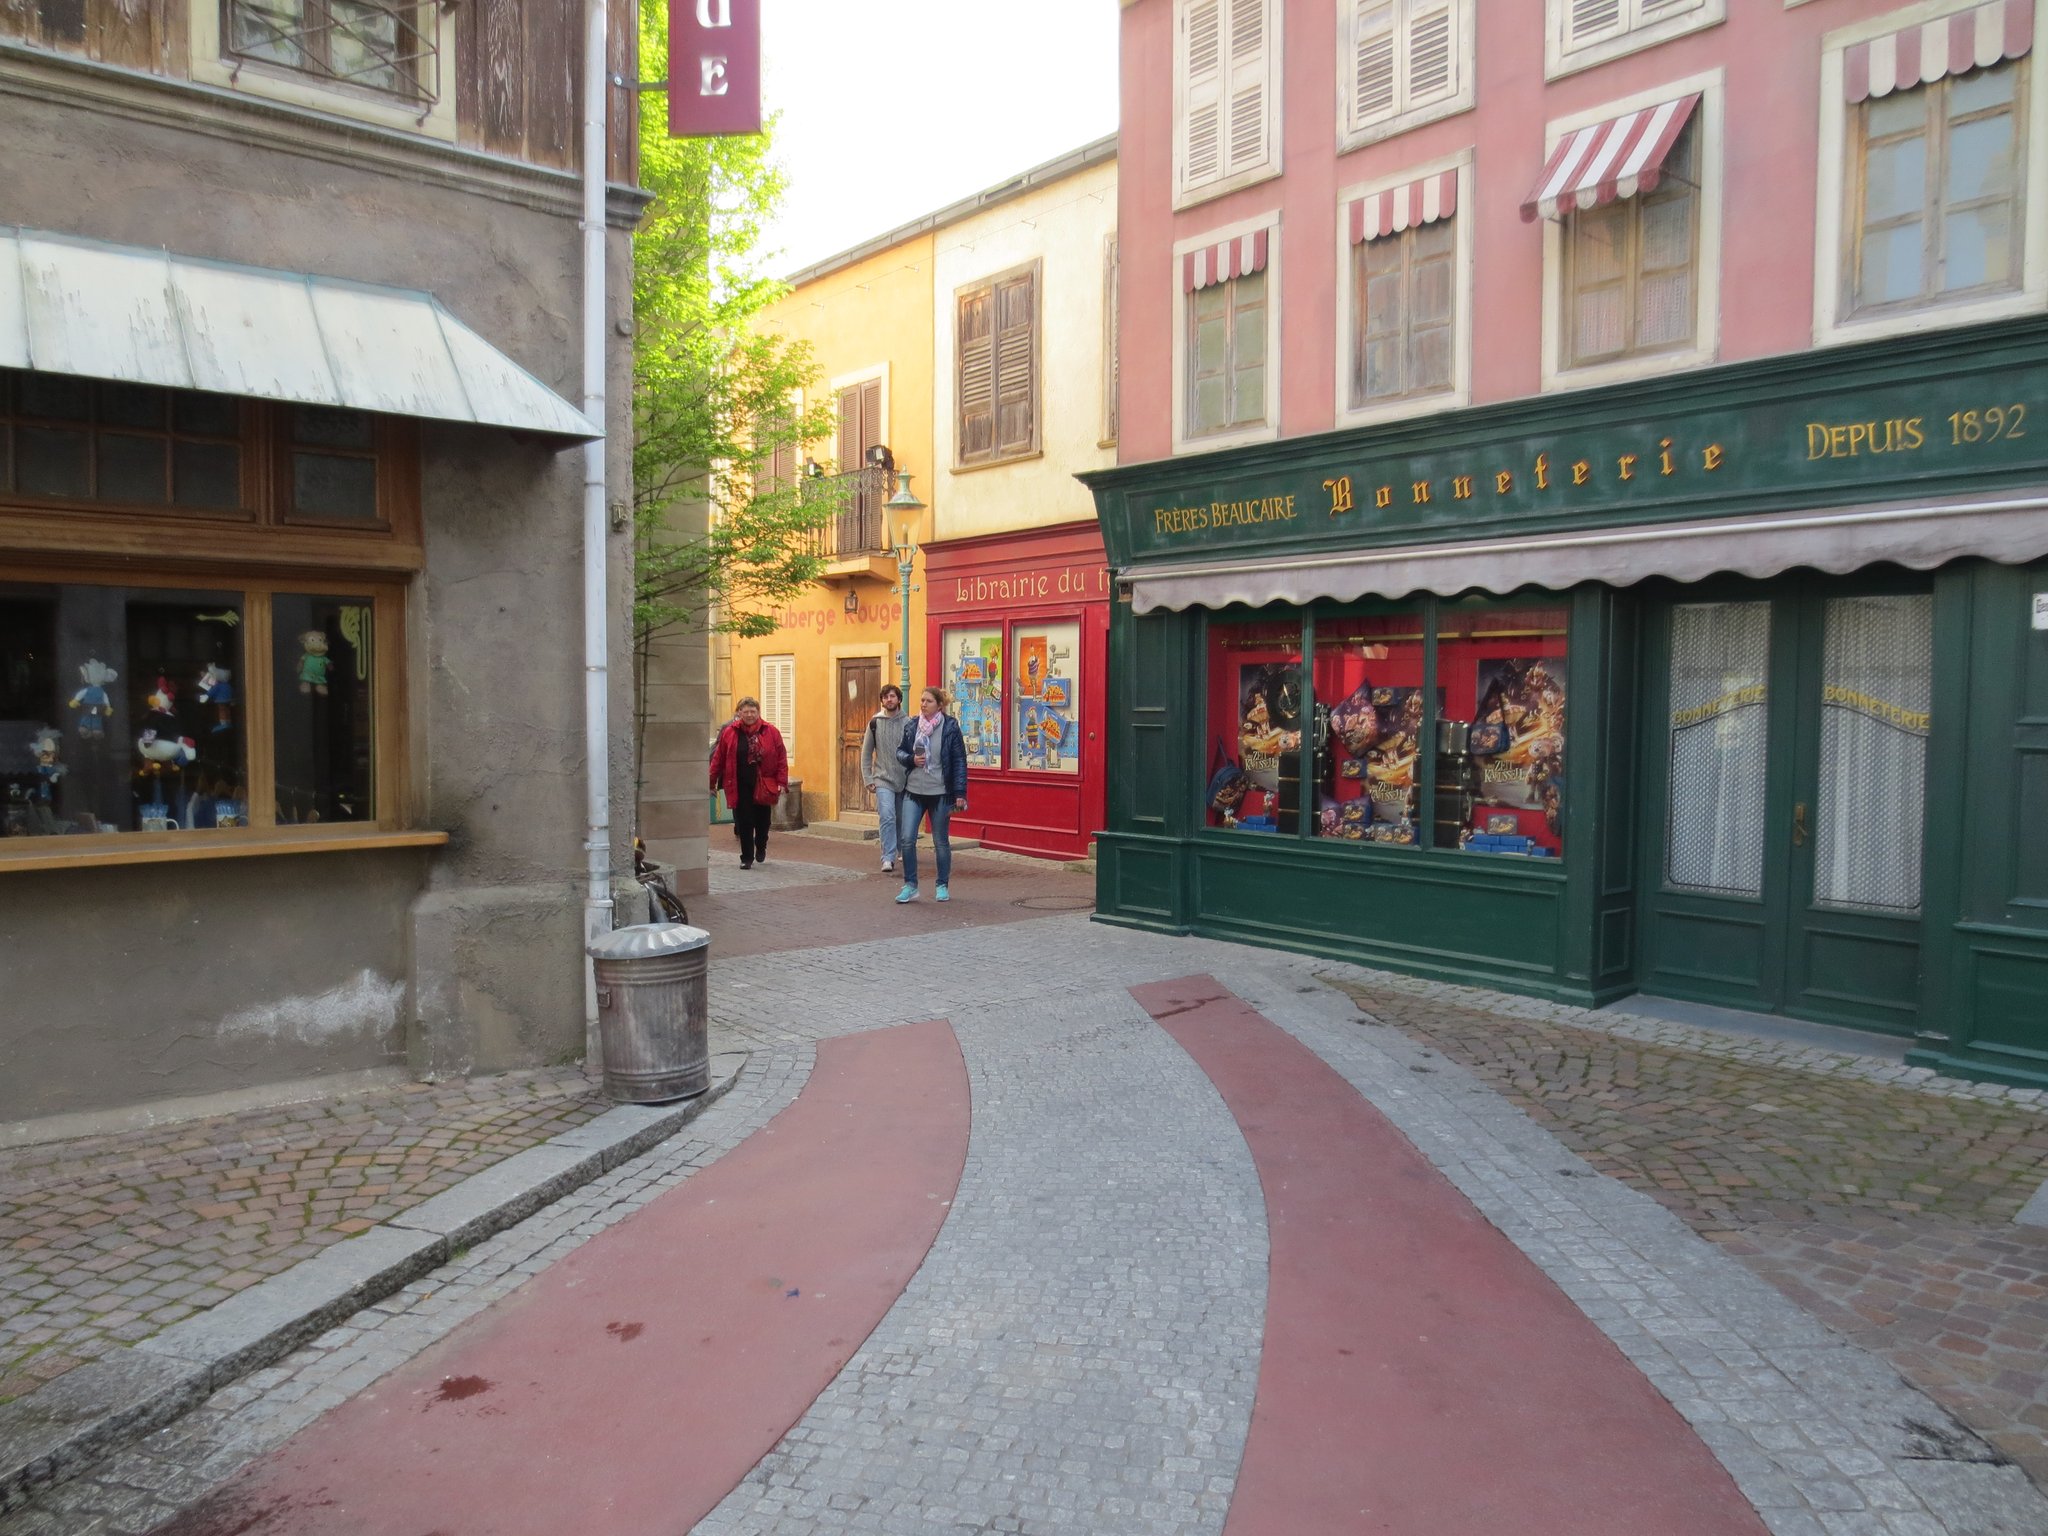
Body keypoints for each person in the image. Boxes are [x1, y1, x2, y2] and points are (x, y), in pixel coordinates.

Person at [893, 686, 967, 903]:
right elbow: (900, 751)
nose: (923, 704)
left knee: (940, 841)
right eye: (922, 700)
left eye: (928, 701)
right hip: (914, 790)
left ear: (939, 706)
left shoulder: (950, 727)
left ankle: (942, 885)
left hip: (940, 792)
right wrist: (911, 760)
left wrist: (960, 793)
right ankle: (910, 885)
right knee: (907, 839)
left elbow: (959, 761)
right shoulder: (912, 725)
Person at [708, 696, 787, 870]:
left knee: (763, 821)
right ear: (739, 712)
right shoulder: (730, 732)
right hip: (739, 783)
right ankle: (747, 857)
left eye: (753, 711)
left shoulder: (771, 731)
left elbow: (781, 756)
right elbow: (718, 758)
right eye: (746, 711)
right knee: (744, 821)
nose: (750, 715)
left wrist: (781, 781)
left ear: (758, 712)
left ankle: (761, 845)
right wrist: (711, 782)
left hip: (763, 782)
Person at [859, 683, 909, 873]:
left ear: (899, 699)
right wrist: (868, 778)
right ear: (882, 701)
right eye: (886, 697)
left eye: (893, 696)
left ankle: (902, 849)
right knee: (887, 815)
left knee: (902, 818)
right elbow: (866, 754)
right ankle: (888, 857)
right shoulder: (875, 723)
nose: (889, 700)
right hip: (882, 778)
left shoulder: (909, 723)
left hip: (904, 779)